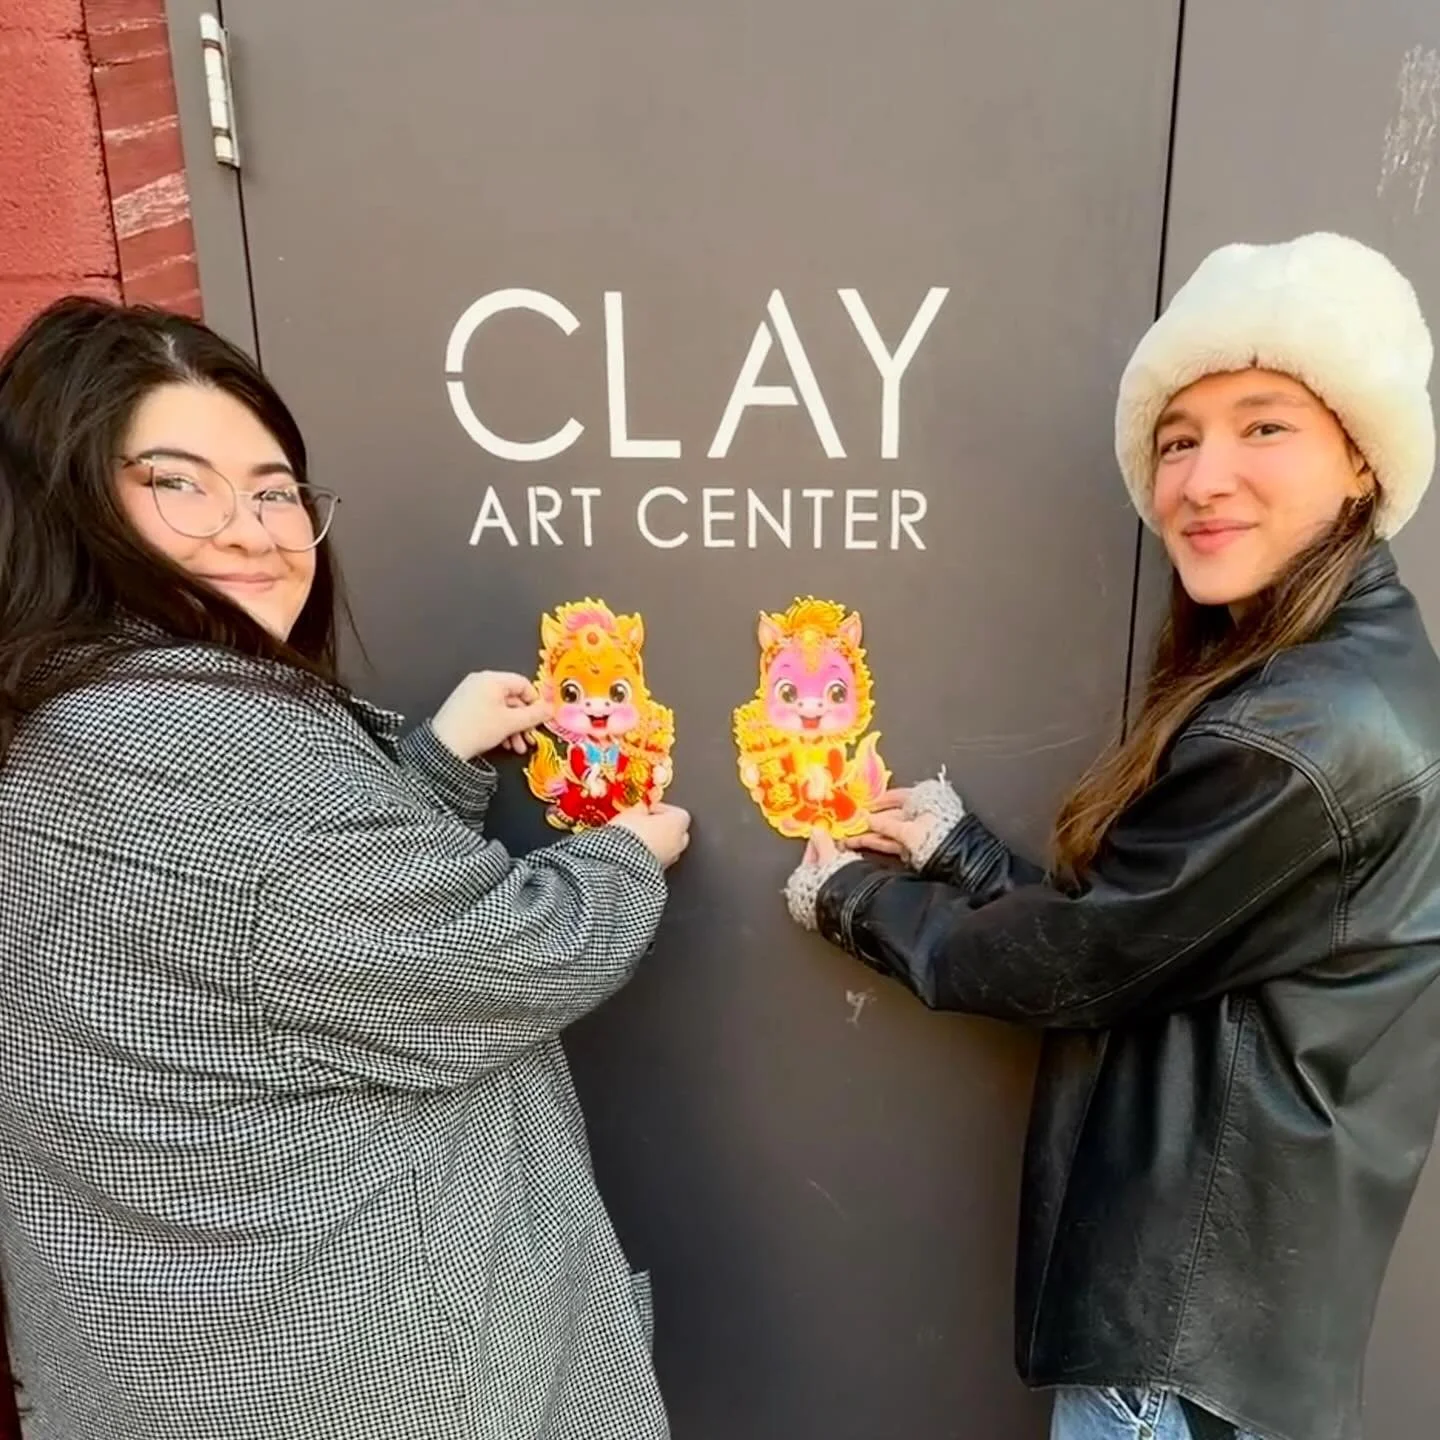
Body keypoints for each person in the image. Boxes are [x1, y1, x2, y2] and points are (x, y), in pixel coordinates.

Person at [785, 232, 1440, 1440]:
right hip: (1232, 1339)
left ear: (1362, 459)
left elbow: (1093, 963)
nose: (1202, 476)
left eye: (1264, 425)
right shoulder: (1317, 676)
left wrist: (859, 902)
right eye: (1179, 438)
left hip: (1185, 1365)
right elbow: (1180, 939)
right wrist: (962, 855)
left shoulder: (1307, 725)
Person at [0, 296, 691, 1440]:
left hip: (173, 1358)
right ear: (71, 503)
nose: (252, 529)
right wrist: (623, 856)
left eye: (275, 490)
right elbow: (498, 957)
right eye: (181, 482)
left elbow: (263, 944)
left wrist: (422, 765)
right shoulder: (203, 748)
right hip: (365, 1372)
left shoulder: (63, 724)